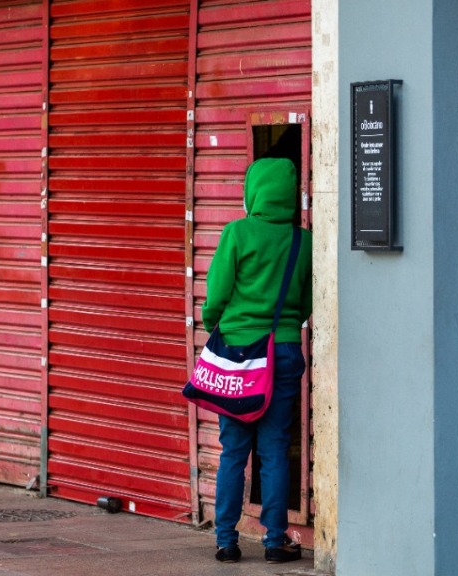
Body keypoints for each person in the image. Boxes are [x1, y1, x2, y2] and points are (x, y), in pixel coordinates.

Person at [201, 157, 311, 564]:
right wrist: (282, 329)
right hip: (282, 350)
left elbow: (216, 293)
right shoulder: (304, 241)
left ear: (253, 191)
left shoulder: (237, 233)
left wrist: (219, 324)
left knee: (234, 450)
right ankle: (275, 540)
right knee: (275, 449)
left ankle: (226, 540)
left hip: (238, 353)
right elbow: (308, 299)